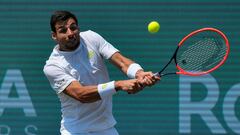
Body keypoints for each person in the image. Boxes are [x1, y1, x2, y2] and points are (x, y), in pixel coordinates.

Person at [43, 10, 160, 135]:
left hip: (106, 128)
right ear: (54, 35)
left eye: (73, 28)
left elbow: (121, 62)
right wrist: (118, 85)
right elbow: (81, 94)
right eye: (63, 30)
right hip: (76, 130)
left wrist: (138, 73)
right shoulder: (52, 66)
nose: (70, 33)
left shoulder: (91, 38)